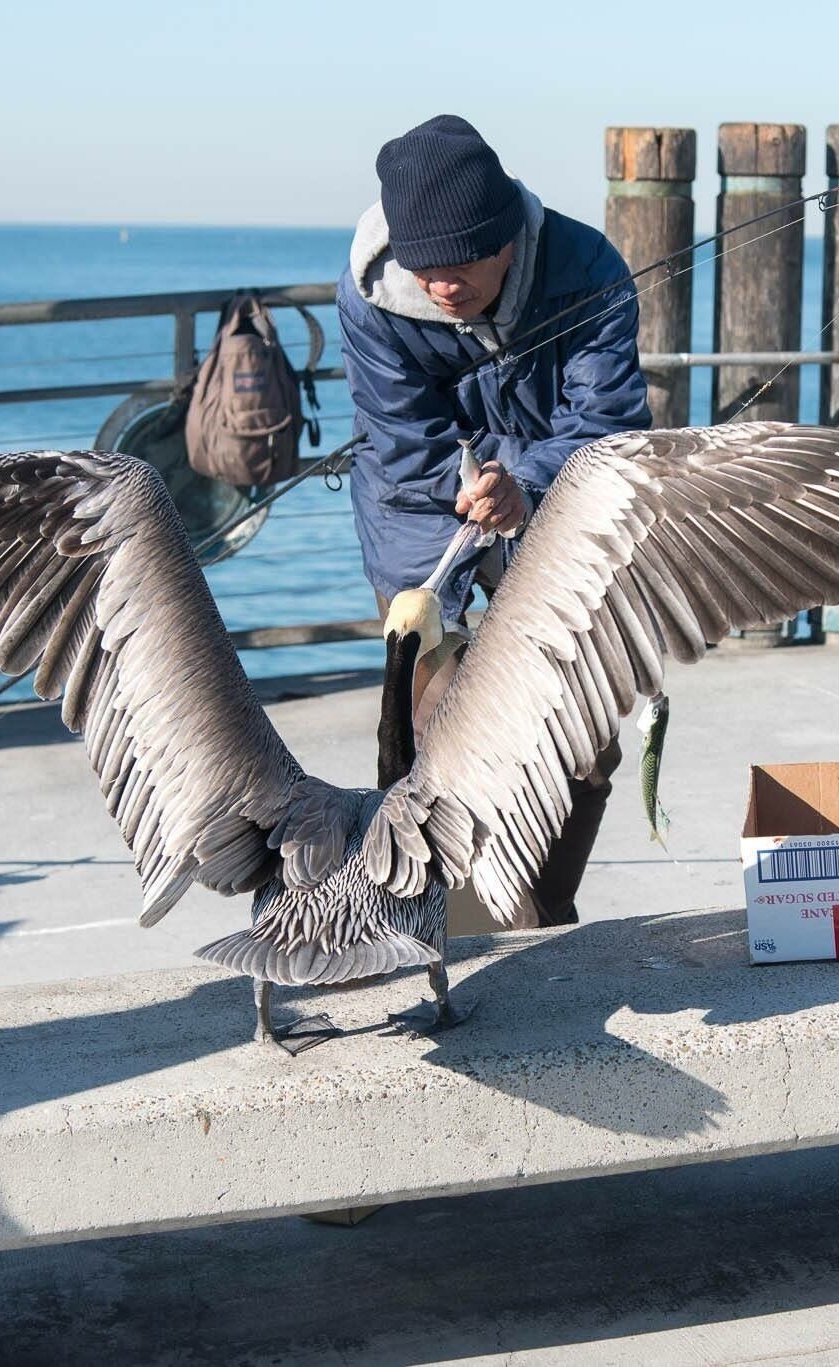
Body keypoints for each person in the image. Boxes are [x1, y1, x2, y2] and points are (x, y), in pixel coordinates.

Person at [337, 114, 651, 926]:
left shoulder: (590, 273)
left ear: (507, 234)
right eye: (424, 267)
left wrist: (527, 481)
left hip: (550, 506)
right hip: (415, 514)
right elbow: (402, 446)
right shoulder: (373, 295)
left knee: (582, 745)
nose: (441, 285)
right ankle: (444, 932)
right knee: (442, 737)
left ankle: (539, 921)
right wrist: (473, 477)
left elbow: (610, 436)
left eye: (462, 263)